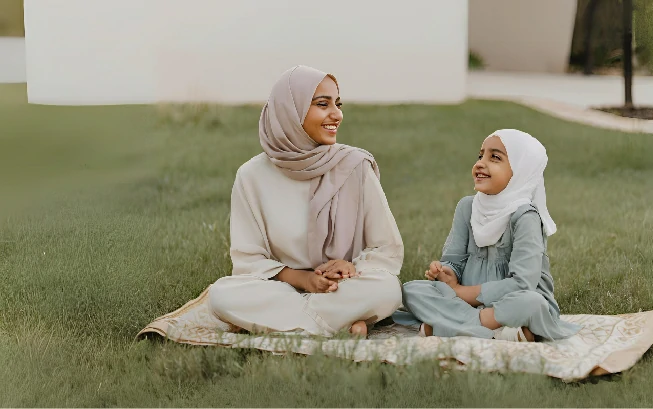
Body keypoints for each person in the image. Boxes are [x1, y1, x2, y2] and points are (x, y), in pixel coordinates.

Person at [205, 65, 403, 337]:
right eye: (323, 104)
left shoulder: (355, 166)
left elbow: (386, 247)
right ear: (290, 110)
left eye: (338, 104)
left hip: (341, 287)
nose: (337, 114)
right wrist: (304, 280)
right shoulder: (251, 176)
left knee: (387, 288)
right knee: (221, 295)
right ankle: (342, 322)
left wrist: (351, 267)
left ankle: (288, 323)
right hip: (282, 288)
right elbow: (249, 260)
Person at [395, 129, 581, 342]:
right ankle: (494, 329)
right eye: (480, 155)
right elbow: (453, 261)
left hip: (507, 300)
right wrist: (446, 272)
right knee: (411, 290)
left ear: (521, 171)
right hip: (467, 301)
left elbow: (522, 284)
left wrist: (459, 291)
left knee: (532, 303)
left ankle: (448, 325)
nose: (480, 163)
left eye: (495, 157)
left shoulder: (525, 217)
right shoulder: (467, 207)